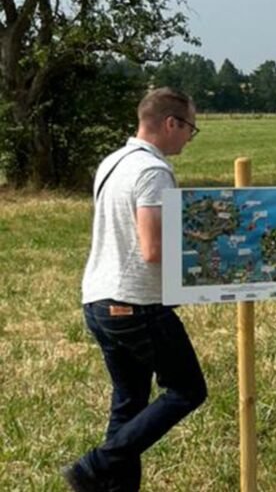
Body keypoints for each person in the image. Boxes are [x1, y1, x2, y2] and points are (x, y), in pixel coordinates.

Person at [63, 88, 207, 491]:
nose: (188, 139)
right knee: (187, 389)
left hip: (98, 298)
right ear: (170, 123)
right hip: (136, 303)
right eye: (190, 129)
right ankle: (96, 464)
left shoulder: (113, 162)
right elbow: (152, 247)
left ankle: (112, 486)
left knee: (129, 403)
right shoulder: (152, 171)